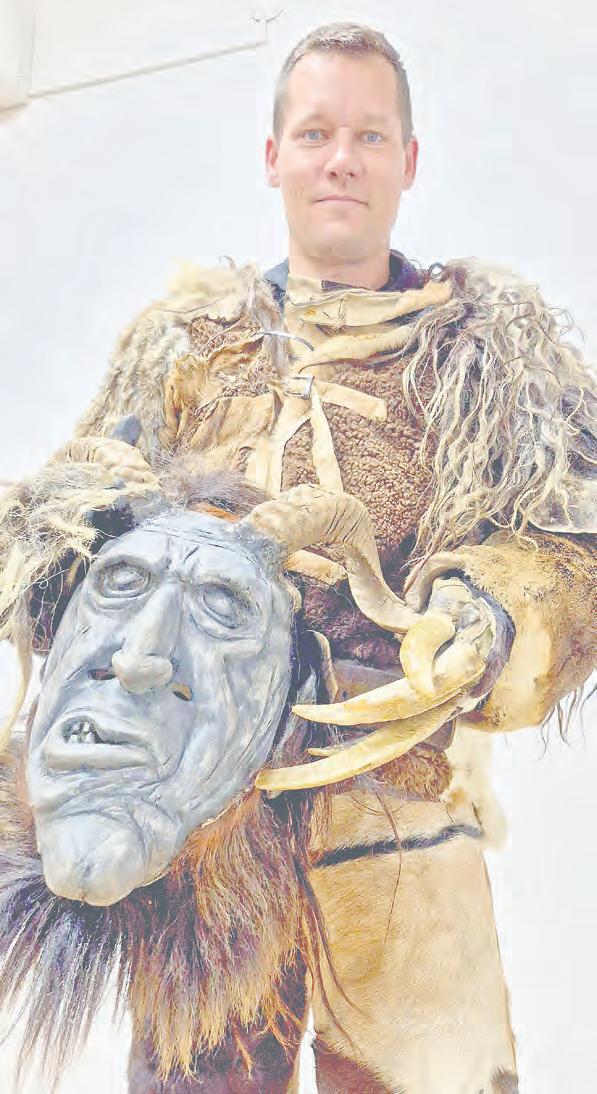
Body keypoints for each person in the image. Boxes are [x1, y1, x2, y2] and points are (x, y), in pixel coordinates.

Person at [0, 22, 595, 1094]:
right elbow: (75, 527)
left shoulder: (489, 353)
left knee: (431, 1073)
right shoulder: (185, 345)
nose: (340, 160)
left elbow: (571, 532)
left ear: (408, 160)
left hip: (399, 811)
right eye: (315, 133)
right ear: (273, 156)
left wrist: (494, 608)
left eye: (369, 135)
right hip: (204, 835)